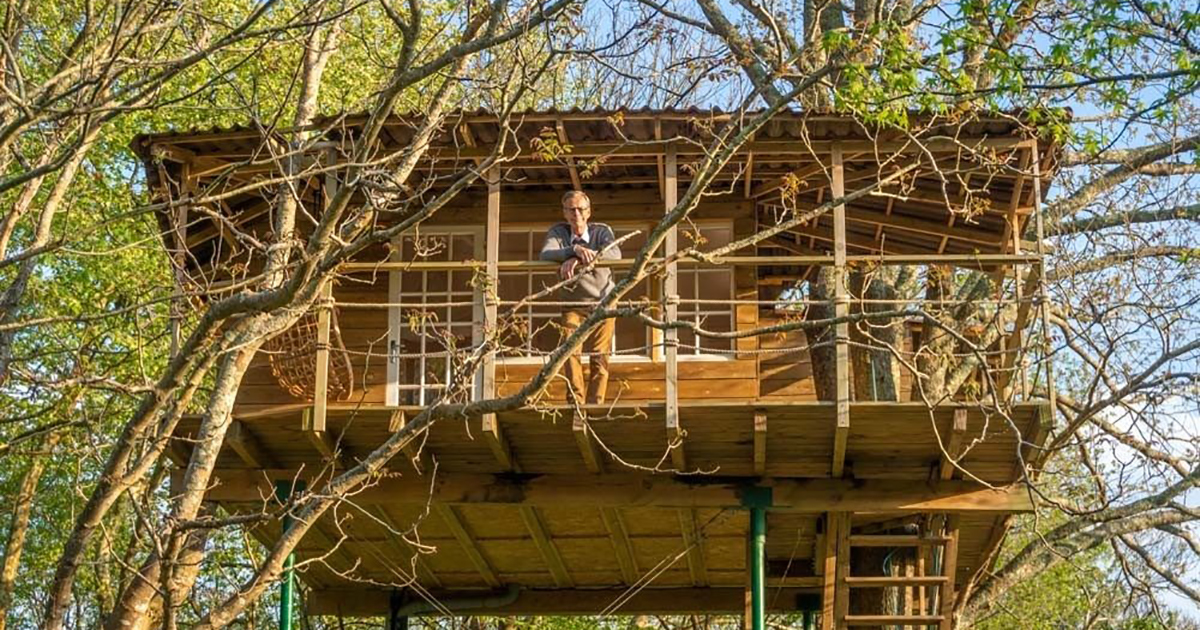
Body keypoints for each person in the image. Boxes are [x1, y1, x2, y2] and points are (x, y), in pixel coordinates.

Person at [539, 190, 621, 405]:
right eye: (571, 209)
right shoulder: (558, 232)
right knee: (569, 350)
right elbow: (546, 254)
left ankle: (596, 403)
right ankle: (576, 401)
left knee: (600, 354)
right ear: (564, 213)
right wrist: (573, 251)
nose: (576, 214)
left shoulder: (602, 231)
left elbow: (615, 254)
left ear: (589, 212)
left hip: (604, 302)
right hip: (572, 304)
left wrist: (584, 257)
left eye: (581, 209)